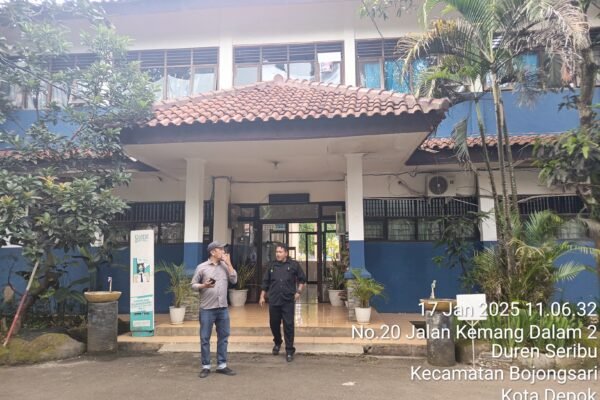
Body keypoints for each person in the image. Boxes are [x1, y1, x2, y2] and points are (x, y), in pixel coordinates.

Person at [191, 241, 238, 378]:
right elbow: (193, 285)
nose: (223, 251)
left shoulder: (225, 266)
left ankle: (222, 365)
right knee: (205, 338)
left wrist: (229, 263)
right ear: (213, 252)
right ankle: (206, 366)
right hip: (207, 309)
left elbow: (234, 280)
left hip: (222, 308)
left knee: (223, 337)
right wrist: (203, 286)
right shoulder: (201, 267)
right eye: (220, 249)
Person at [259, 242, 306, 362]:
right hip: (274, 299)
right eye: (276, 252)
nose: (278, 254)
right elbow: (265, 282)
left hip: (288, 300)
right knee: (274, 324)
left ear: (286, 253)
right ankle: (278, 342)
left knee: (288, 325)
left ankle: (289, 350)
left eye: (280, 252)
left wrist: (298, 292)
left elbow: (302, 279)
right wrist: (262, 296)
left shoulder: (294, 265)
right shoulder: (271, 265)